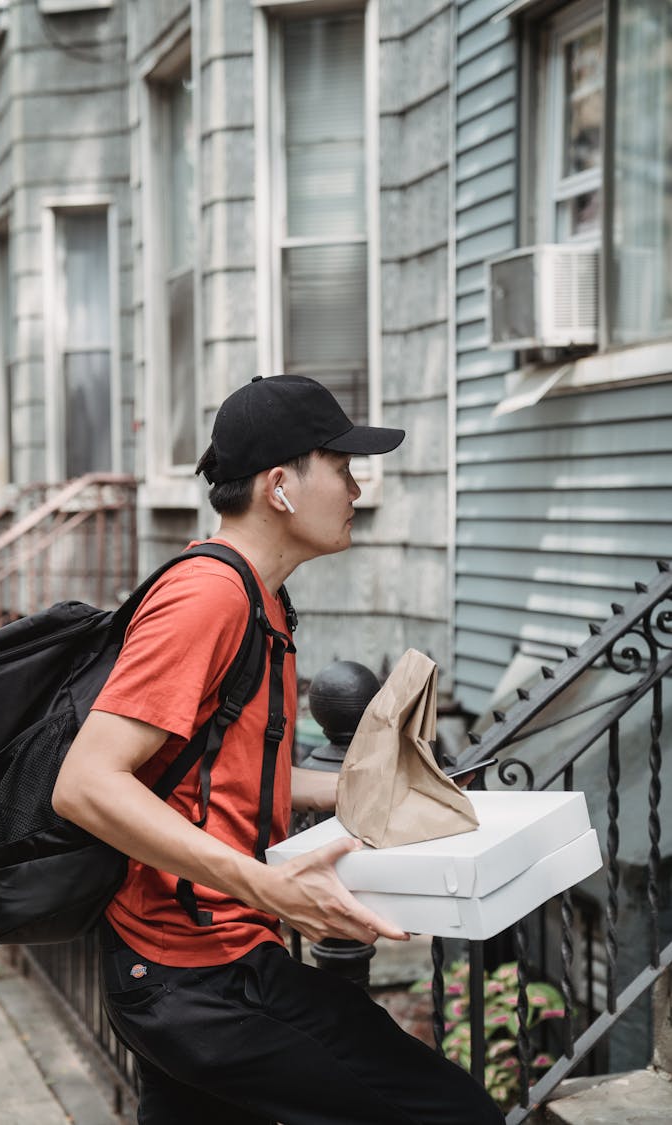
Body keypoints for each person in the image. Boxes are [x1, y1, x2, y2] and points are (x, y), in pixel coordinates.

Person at [53, 374, 504, 1125]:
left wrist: (363, 787)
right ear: (280, 487)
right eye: (341, 465)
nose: (357, 486)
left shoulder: (263, 598)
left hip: (185, 969)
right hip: (199, 975)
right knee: (454, 1111)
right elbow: (87, 782)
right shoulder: (210, 597)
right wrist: (267, 885)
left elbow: (221, 766)